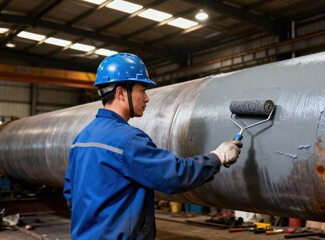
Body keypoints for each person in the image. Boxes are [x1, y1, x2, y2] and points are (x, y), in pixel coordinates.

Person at [63, 53, 243, 240]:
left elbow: (70, 193)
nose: (147, 98)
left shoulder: (81, 138)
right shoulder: (128, 140)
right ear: (121, 93)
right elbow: (174, 176)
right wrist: (217, 157)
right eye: (142, 90)